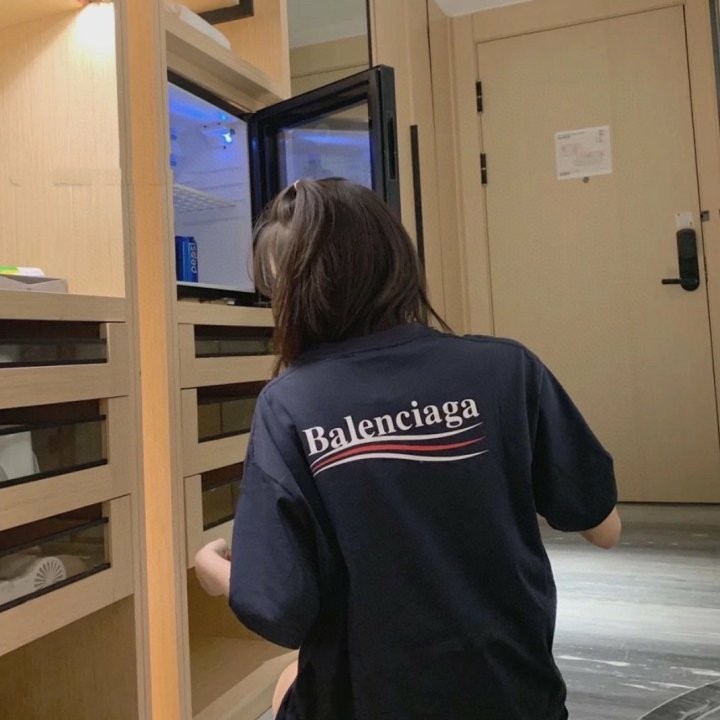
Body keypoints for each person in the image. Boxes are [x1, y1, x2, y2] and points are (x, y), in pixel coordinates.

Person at [194, 178, 621, 720]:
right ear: (395, 261)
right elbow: (604, 529)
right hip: (518, 699)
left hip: (366, 703)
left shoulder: (289, 404)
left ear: (288, 292)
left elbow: (279, 608)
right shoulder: (507, 368)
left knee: (288, 679)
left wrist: (213, 571)